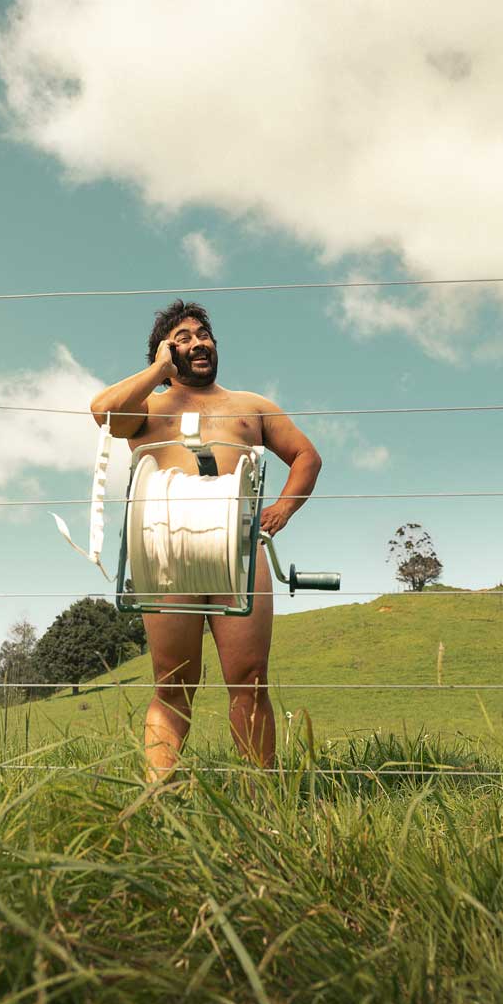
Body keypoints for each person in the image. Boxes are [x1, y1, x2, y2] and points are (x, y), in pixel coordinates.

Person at [89, 300, 322, 779]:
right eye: (183, 338)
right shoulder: (146, 407)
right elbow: (103, 413)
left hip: (237, 550)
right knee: (172, 683)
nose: (197, 343)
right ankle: (158, 800)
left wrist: (281, 510)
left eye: (203, 334)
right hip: (165, 550)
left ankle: (263, 801)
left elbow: (305, 456)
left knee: (250, 679)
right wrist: (157, 370)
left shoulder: (251, 406)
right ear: (165, 352)